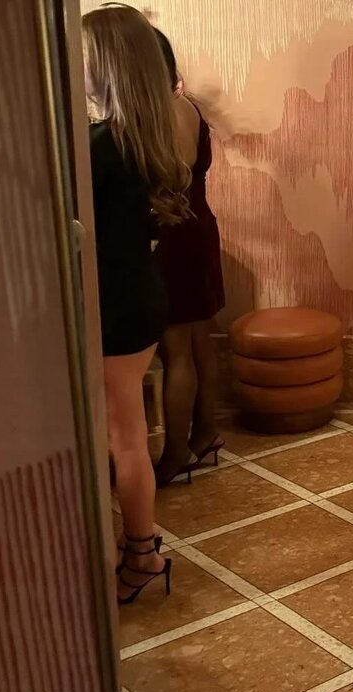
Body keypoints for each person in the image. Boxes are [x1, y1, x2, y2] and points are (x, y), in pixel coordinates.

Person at [84, 3, 189, 604]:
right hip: (139, 297)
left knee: (124, 436)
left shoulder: (99, 145)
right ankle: (142, 549)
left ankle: (143, 554)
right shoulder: (141, 138)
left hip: (117, 304)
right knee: (126, 432)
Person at [151, 29, 226, 487]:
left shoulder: (162, 113)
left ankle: (177, 453)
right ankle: (206, 433)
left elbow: (171, 184)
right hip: (198, 229)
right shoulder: (188, 108)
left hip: (174, 236)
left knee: (176, 347)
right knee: (200, 340)